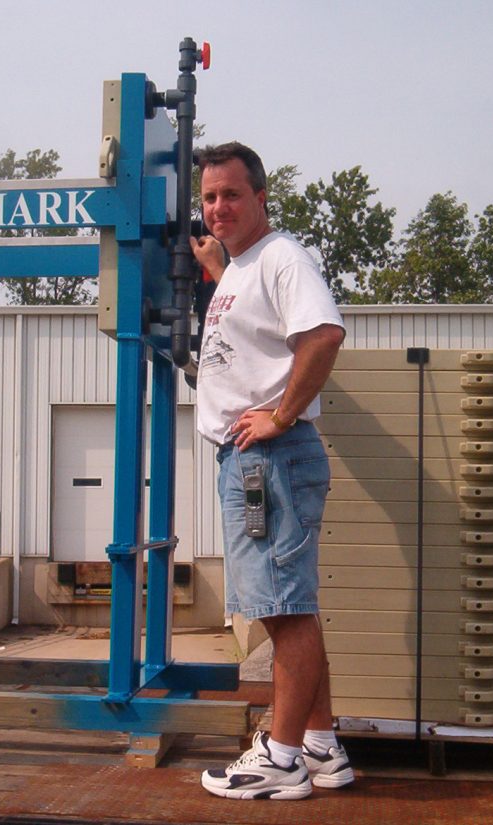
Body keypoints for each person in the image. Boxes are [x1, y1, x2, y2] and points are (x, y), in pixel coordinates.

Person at [190, 142, 352, 801]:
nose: (218, 207)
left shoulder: (282, 256)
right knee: (293, 607)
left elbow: (324, 334)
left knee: (284, 612)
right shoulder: (241, 266)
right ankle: (320, 744)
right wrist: (216, 267)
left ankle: (280, 760)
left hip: (268, 460)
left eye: (232, 194)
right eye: (209, 197)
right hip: (254, 460)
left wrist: (281, 416)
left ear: (261, 197)